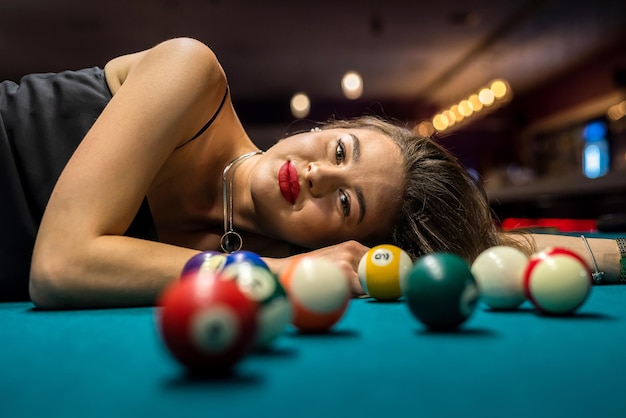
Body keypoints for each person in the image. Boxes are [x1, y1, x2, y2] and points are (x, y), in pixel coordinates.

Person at [0, 37, 622, 308]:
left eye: (347, 204)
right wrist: (278, 273)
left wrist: (618, 253)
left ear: (343, 246)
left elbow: (485, 248)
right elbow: (60, 268)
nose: (321, 175)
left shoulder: (271, 247)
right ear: (323, 127)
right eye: (342, 150)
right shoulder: (191, 74)